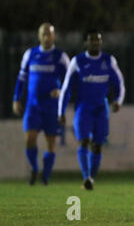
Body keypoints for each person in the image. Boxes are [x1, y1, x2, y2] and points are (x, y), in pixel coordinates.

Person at [58, 30, 125, 190]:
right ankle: (86, 177)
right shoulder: (78, 61)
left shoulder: (109, 61)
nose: (95, 43)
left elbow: (120, 84)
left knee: (97, 146)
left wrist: (118, 101)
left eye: (98, 40)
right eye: (92, 40)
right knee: (84, 141)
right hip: (83, 108)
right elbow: (66, 88)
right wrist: (60, 111)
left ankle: (91, 177)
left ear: (101, 43)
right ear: (86, 43)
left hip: (101, 109)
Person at [12, 23, 70, 185]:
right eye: (43, 34)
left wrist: (60, 92)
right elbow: (21, 78)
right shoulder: (30, 54)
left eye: (49, 34)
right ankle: (34, 168)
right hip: (33, 105)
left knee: (50, 143)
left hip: (51, 106)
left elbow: (69, 81)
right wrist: (16, 99)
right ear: (39, 36)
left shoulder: (60, 56)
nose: (46, 37)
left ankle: (46, 175)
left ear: (54, 36)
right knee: (30, 139)